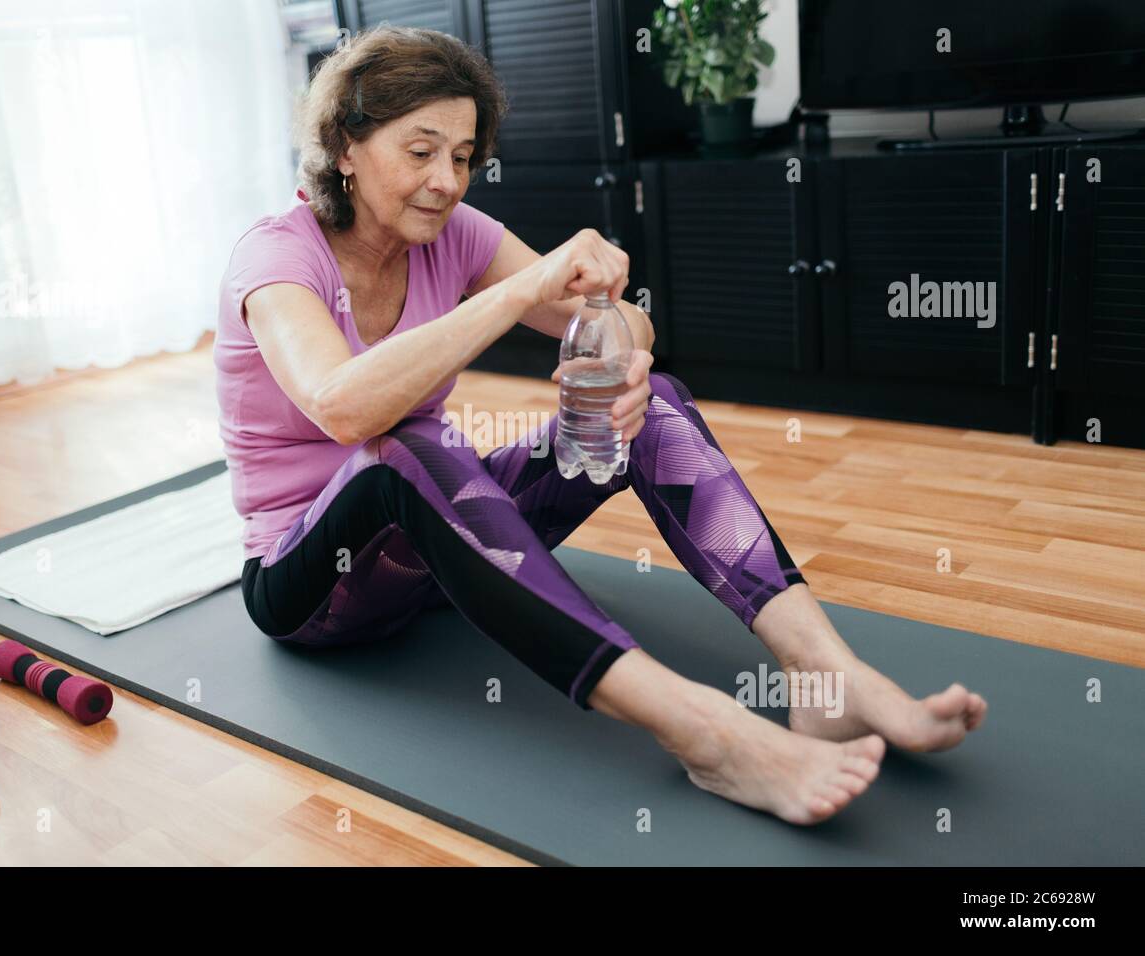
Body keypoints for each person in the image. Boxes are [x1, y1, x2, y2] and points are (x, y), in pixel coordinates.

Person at [214, 25, 987, 826]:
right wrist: (517, 294)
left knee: (656, 407)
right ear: (344, 145)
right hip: (314, 584)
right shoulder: (276, 259)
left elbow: (630, 320)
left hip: (434, 559)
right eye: (421, 151)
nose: (447, 180)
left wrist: (628, 365)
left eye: (464, 155)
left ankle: (826, 676)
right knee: (411, 447)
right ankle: (707, 734)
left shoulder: (456, 233)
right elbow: (344, 407)